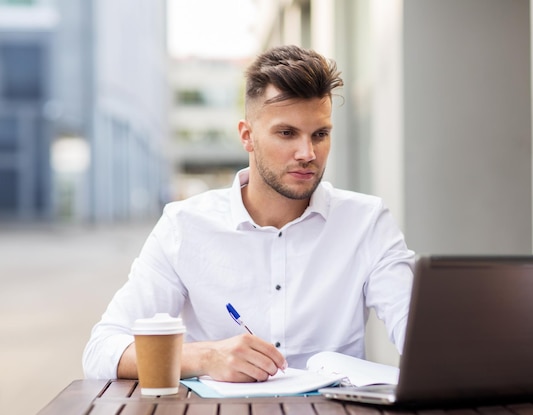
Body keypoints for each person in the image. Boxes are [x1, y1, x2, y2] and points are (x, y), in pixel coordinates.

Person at [83, 45, 415, 383]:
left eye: (320, 134)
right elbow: (102, 350)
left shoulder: (367, 221)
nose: (307, 153)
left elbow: (419, 334)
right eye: (287, 133)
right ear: (247, 136)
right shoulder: (184, 225)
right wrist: (207, 357)